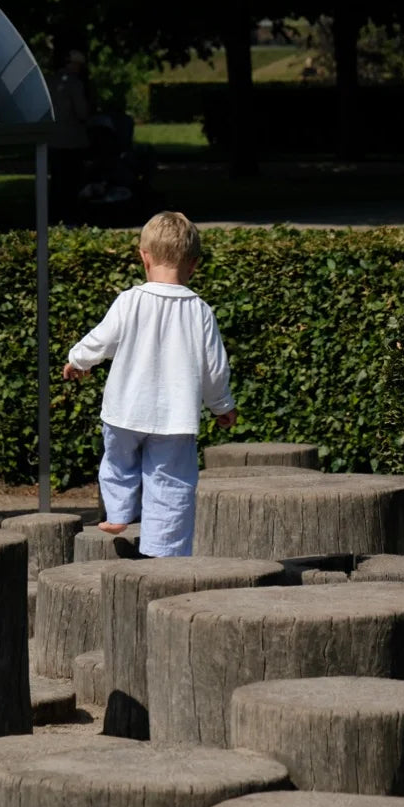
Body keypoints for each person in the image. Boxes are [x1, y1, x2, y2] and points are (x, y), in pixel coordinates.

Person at [62, 211, 237, 556]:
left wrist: (78, 360)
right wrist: (222, 405)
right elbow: (214, 368)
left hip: (125, 410)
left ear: (144, 257)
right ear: (194, 264)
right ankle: (165, 548)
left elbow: (101, 340)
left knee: (118, 463)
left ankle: (118, 513)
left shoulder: (129, 301)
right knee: (171, 483)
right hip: (176, 419)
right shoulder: (200, 311)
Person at [46, 48, 91, 223]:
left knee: (57, 180)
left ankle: (54, 215)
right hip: (72, 140)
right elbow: (82, 112)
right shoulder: (74, 84)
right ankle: (70, 215)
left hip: (52, 140)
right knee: (71, 181)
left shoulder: (50, 81)